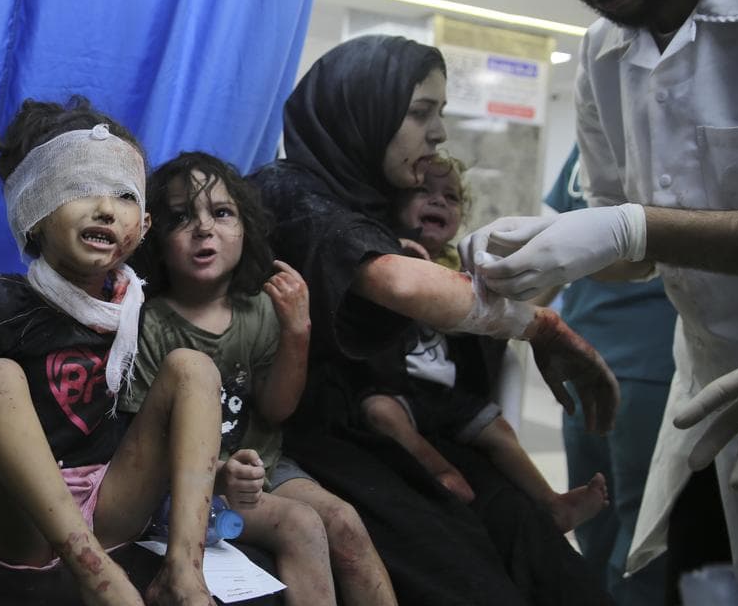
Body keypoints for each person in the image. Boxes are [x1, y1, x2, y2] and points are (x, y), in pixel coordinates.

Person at [250, 34, 618, 606]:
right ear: (362, 112)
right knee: (463, 570)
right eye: (421, 113)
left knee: (538, 546)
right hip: (298, 437)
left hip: (374, 426)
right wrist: (543, 326)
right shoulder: (289, 190)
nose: (439, 132)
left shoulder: (361, 203)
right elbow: (395, 281)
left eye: (439, 114)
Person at [477, 0, 738, 588]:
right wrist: (555, 246)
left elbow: (636, 231)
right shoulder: (603, 56)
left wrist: (629, 228)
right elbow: (636, 256)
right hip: (712, 379)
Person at [0, 97, 222, 606]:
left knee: (194, 366)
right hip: (20, 522)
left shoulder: (133, 306)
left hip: (109, 501)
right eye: (79, 188)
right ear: (32, 211)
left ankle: (184, 573)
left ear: (142, 226)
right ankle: (96, 574)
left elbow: (183, 418)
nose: (105, 207)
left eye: (124, 194)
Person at [122, 151, 395, 606]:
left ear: (245, 228)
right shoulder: (151, 325)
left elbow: (276, 408)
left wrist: (297, 331)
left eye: (221, 212)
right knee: (302, 524)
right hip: (188, 486)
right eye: (181, 216)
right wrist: (222, 474)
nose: (204, 227)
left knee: (345, 521)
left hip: (266, 467)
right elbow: (142, 444)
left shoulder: (260, 311)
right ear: (156, 238)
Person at [361, 154, 609, 534]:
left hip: (448, 394)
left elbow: (485, 324)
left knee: (498, 430)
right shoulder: (382, 255)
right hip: (397, 390)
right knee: (381, 413)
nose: (438, 200)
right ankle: (441, 470)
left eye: (452, 197)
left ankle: (552, 503)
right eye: (423, 191)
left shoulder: (467, 268)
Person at [533, 145, 678, 605]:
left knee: (643, 539)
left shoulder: (669, 137)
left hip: (654, 359)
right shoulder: (587, 143)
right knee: (592, 516)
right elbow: (558, 255)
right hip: (581, 356)